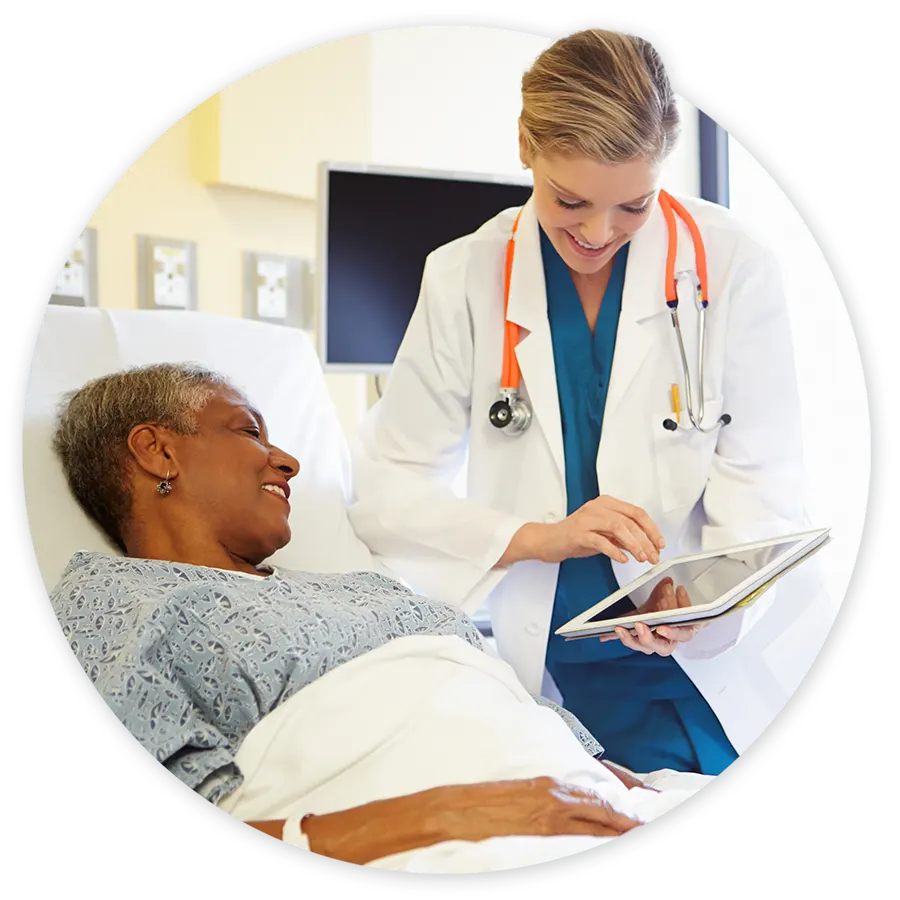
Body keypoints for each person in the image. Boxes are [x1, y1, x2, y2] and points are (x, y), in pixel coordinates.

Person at [348, 25, 811, 776]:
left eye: (634, 206)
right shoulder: (463, 276)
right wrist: (538, 536)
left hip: (700, 667)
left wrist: (703, 601)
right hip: (546, 668)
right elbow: (387, 488)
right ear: (525, 145)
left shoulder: (735, 267)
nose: (599, 233)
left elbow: (764, 484)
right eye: (570, 201)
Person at [48, 363, 707, 873]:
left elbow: (520, 726)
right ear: (156, 451)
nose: (289, 461)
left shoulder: (366, 588)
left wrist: (631, 793)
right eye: (248, 431)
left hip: (580, 801)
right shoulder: (113, 606)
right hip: (443, 836)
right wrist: (453, 811)